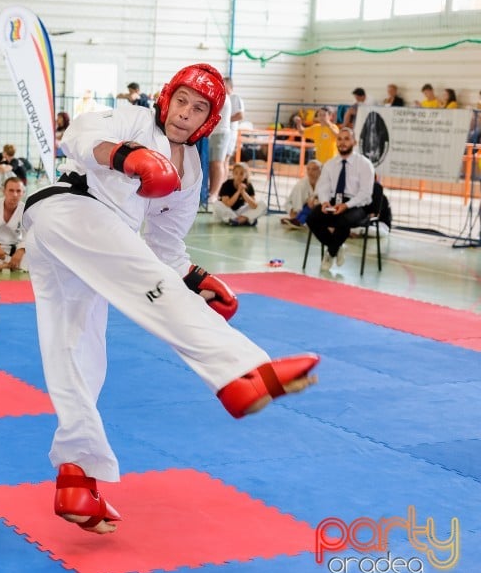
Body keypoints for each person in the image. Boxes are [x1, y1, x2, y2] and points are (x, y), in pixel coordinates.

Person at [21, 63, 320, 535]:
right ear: (166, 98)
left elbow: (166, 248)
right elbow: (78, 135)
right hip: (66, 210)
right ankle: (242, 372)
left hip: (89, 248)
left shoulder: (194, 169)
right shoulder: (133, 119)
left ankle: (76, 478)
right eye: (181, 101)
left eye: (198, 108)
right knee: (146, 286)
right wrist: (125, 157)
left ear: (208, 120)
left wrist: (194, 277)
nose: (185, 113)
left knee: (78, 352)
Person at [305, 127, 375, 272]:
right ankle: (337, 246)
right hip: (334, 201)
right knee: (312, 217)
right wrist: (324, 202)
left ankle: (330, 252)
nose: (342, 143)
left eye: (347, 139)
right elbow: (323, 186)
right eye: (340, 139)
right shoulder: (330, 164)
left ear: (354, 142)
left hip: (357, 204)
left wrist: (347, 205)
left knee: (343, 220)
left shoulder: (364, 164)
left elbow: (365, 193)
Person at [213, 162, 266, 226]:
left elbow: (254, 205)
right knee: (217, 204)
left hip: (240, 212)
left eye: (241, 174)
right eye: (236, 173)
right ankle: (243, 220)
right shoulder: (226, 184)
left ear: (245, 175)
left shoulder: (248, 185)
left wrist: (243, 192)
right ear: (233, 174)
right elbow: (228, 204)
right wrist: (238, 191)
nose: (238, 176)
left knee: (262, 204)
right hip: (228, 211)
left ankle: (241, 219)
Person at [280, 158, 321, 230]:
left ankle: (295, 221)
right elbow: (297, 207)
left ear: (320, 171)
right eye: (308, 169)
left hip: (313, 208)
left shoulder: (324, 182)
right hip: (296, 208)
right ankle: (296, 220)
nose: (310, 172)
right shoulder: (301, 185)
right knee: (306, 210)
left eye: (314, 169)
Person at [205, 90, 232, 198]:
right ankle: (211, 191)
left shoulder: (222, 95)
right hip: (214, 133)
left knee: (217, 164)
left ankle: (214, 193)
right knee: (213, 164)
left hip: (219, 132)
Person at [224, 77, 244, 167]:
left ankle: (222, 181)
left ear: (229, 86)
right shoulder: (224, 99)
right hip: (223, 133)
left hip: (230, 133)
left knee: (224, 160)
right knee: (221, 161)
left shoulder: (235, 98)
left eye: (223, 84)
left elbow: (240, 115)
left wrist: (224, 120)